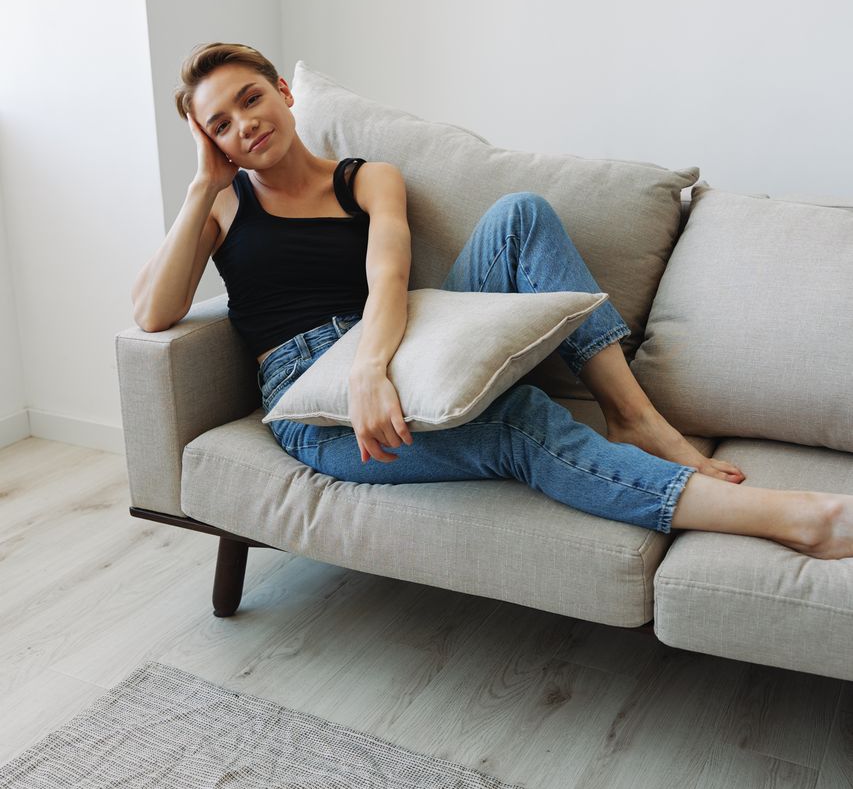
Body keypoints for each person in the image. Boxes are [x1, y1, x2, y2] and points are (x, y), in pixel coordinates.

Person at [131, 42, 853, 560]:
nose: (242, 124)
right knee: (519, 425)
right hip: (310, 403)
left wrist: (369, 367)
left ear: (282, 94)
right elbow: (151, 315)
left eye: (249, 98)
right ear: (210, 142)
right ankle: (795, 521)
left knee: (520, 214)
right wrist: (200, 188)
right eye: (218, 123)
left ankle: (632, 416)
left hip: (389, 344)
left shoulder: (366, 178)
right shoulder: (221, 205)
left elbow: (390, 279)